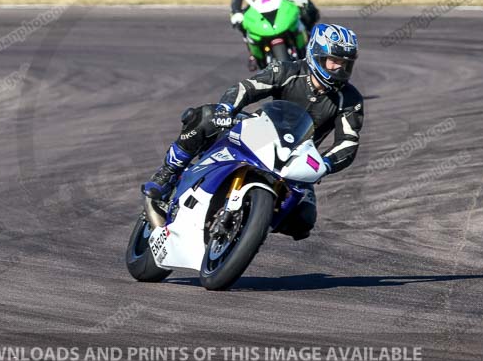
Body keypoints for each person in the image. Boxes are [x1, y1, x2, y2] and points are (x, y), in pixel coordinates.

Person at [141, 23, 362, 240]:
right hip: (259, 133)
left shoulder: (350, 99)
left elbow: (349, 141)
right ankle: (168, 173)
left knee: (303, 220)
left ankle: (249, 226)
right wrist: (226, 109)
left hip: (296, 161)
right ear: (315, 54)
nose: (339, 69)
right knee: (204, 117)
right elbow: (246, 88)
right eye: (334, 61)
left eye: (345, 64)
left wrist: (325, 164)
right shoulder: (287, 70)